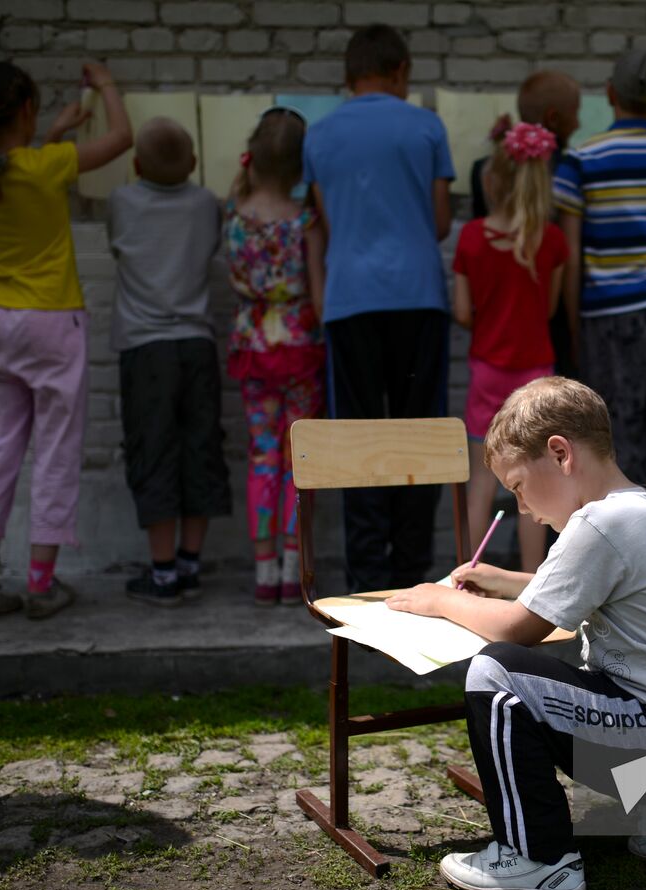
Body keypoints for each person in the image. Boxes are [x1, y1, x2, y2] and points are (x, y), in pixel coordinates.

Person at [386, 377, 646, 890]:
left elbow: (516, 629)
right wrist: (505, 580)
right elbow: (593, 584)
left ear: (560, 454)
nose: (523, 507)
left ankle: (539, 860)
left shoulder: (599, 523)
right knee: (527, 674)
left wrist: (439, 600)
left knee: (495, 672)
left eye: (518, 486)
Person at [0, 59, 131, 621]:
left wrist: (53, 135)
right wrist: (105, 85)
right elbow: (122, 138)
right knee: (56, 452)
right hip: (52, 323)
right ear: (26, 109)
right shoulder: (48, 166)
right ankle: (41, 584)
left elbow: (18, 173)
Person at [302, 24, 454, 592]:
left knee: (358, 435)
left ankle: (366, 574)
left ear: (350, 75)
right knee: (420, 433)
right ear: (401, 70)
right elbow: (440, 223)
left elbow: (326, 220)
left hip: (350, 300)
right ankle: (413, 569)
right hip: (418, 296)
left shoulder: (319, 135)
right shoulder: (426, 126)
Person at [552, 50, 646, 522]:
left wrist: (574, 329)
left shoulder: (581, 161)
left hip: (608, 318)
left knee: (613, 439)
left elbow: (571, 255)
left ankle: (622, 550)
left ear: (610, 94)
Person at [108, 118, 231, 607]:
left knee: (152, 451)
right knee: (200, 449)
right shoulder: (205, 204)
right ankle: (189, 565)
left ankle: (162, 575)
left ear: (137, 165)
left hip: (145, 349)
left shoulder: (121, 202)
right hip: (196, 346)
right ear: (194, 164)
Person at [453, 122, 568, 573]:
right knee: (537, 483)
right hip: (536, 373)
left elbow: (462, 312)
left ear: (492, 181)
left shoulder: (471, 237)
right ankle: (532, 578)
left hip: (487, 370)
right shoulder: (552, 240)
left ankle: (466, 574)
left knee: (481, 481)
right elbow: (550, 308)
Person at [224, 107, 326, 607]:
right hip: (300, 347)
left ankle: (264, 573)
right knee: (297, 461)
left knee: (262, 455)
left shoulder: (234, 214)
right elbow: (318, 293)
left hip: (252, 345)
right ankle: (293, 571)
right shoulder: (305, 220)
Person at [468, 71, 582, 377]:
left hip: (492, 329)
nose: (579, 124)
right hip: (547, 327)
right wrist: (576, 327)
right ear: (553, 118)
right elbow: (570, 259)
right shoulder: (568, 172)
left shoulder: (483, 172)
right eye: (575, 114)